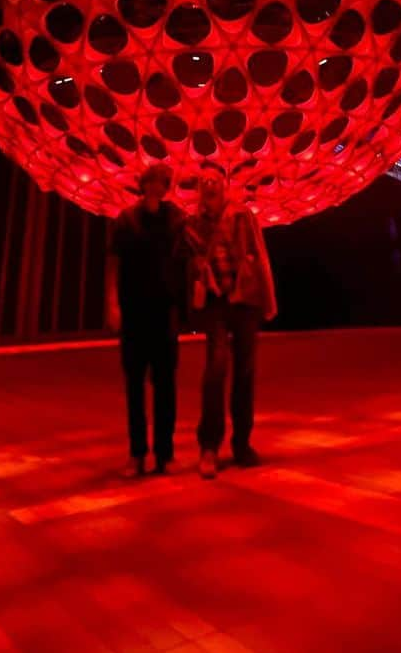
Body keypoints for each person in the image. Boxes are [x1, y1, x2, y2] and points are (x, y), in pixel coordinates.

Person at [186, 167, 277, 479]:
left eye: (214, 180)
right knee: (216, 368)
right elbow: (190, 260)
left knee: (245, 372)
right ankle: (209, 445)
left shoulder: (243, 215)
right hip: (216, 302)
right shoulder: (194, 224)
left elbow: (260, 255)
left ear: (224, 186)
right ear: (200, 190)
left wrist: (269, 300)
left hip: (245, 300)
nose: (209, 185)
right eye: (204, 182)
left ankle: (241, 444)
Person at [105, 164, 187, 476]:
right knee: (135, 386)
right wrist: (113, 304)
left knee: (166, 385)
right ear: (144, 185)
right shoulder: (127, 219)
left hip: (165, 313)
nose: (157, 187)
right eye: (152, 182)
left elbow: (191, 251)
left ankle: (165, 454)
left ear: (166, 187)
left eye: (162, 183)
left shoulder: (175, 218)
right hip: (135, 312)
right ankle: (137, 453)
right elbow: (113, 263)